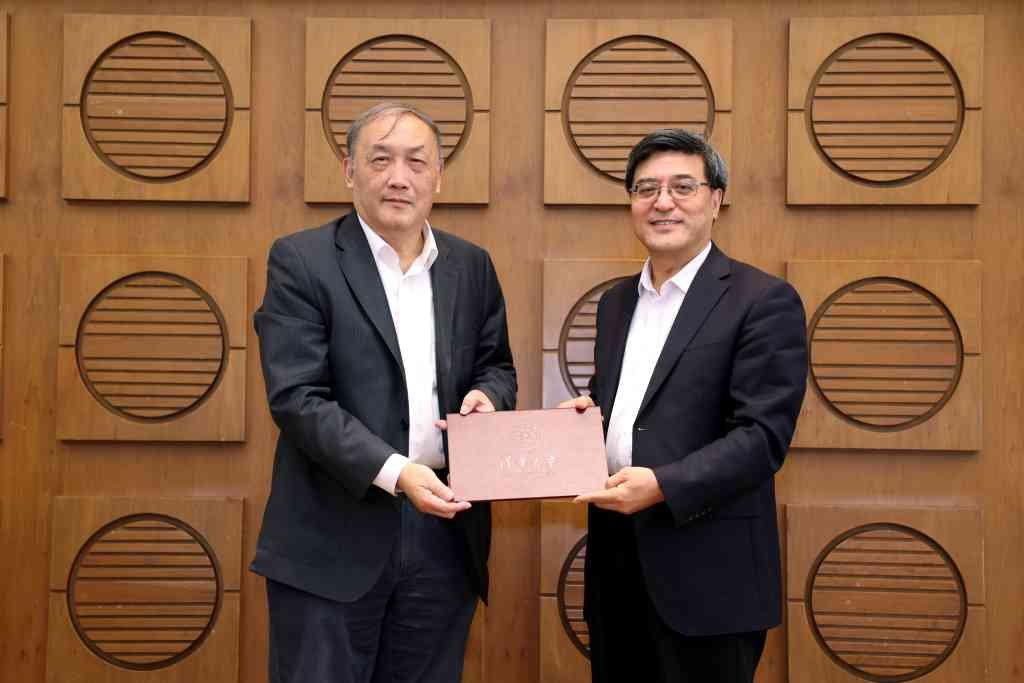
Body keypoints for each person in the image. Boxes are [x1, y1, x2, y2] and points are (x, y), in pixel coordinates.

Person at [251, 102, 516, 683]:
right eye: (380, 160)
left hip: (445, 535)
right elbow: (297, 397)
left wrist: (488, 398)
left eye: (417, 162)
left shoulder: (471, 266)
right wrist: (398, 472)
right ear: (349, 170)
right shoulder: (302, 260)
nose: (399, 177)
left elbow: (496, 365)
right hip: (331, 538)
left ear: (438, 177)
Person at [561, 128, 808, 683]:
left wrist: (664, 485)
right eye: (646, 189)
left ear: (716, 199)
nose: (662, 202)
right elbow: (631, 410)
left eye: (682, 187)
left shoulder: (763, 300)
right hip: (616, 570)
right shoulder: (616, 302)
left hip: (710, 578)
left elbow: (762, 437)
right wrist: (582, 424)